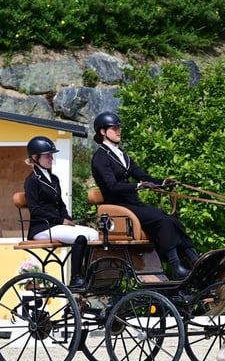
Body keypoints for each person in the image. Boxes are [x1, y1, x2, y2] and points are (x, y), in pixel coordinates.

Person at [90, 111, 199, 280]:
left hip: (133, 203)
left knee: (173, 220)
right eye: (114, 128)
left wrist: (163, 182)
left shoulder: (122, 155)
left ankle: (195, 260)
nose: (119, 131)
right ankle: (175, 265)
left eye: (119, 128)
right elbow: (112, 186)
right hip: (119, 206)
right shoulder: (100, 158)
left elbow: (142, 175)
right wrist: (139, 186)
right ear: (102, 132)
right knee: (162, 220)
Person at [24, 135, 99, 290]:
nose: (51, 158)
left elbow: (61, 204)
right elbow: (35, 210)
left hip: (57, 224)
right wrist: (60, 221)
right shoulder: (32, 181)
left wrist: (68, 219)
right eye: (47, 155)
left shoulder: (54, 179)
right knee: (81, 237)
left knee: (94, 234)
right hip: (42, 227)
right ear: (35, 157)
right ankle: (75, 278)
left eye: (51, 155)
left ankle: (88, 275)